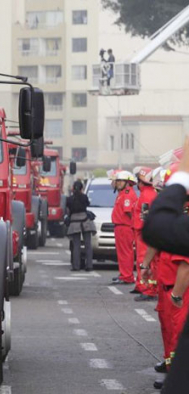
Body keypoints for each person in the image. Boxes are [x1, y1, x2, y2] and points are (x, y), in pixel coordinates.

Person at [142, 137, 189, 393]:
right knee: (170, 332)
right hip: (168, 282)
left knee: (177, 333)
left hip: (177, 288)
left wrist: (182, 176)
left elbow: (156, 229)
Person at [132, 167, 159, 301]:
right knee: (143, 261)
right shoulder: (146, 194)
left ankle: (148, 290)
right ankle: (145, 287)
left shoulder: (147, 195)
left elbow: (145, 216)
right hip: (142, 232)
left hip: (144, 232)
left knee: (145, 261)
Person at [110, 170, 138, 285]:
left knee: (126, 252)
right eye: (118, 181)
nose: (118, 183)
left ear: (128, 182)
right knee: (122, 253)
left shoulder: (127, 194)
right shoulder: (122, 193)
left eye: (121, 181)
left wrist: (132, 226)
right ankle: (124, 274)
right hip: (120, 226)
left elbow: (129, 212)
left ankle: (127, 276)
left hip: (125, 227)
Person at [66, 180, 96, 271]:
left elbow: (68, 210)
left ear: (73, 189)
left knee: (76, 245)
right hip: (85, 221)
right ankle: (89, 265)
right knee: (88, 244)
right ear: (82, 189)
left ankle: (76, 266)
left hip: (74, 222)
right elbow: (87, 204)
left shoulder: (70, 199)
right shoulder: (84, 197)